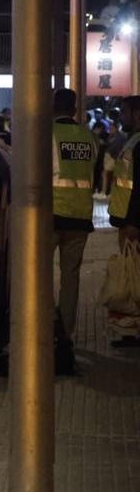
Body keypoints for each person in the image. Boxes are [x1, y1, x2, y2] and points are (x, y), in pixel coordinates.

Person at [51, 89, 96, 360]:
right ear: (75, 109)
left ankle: (47, 325)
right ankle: (66, 333)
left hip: (52, 215)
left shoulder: (47, 134)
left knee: (39, 275)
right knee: (71, 278)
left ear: (54, 107)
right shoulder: (88, 137)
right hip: (81, 217)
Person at [107, 95, 140, 346]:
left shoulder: (139, 144)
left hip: (133, 223)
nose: (122, 117)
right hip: (126, 219)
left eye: (125, 112)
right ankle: (132, 328)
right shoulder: (133, 141)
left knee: (134, 276)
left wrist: (134, 222)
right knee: (132, 276)